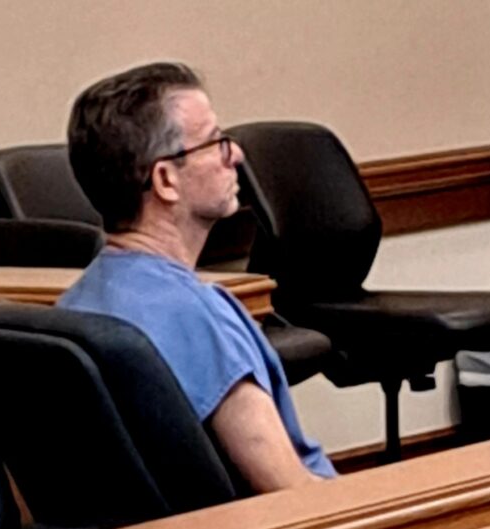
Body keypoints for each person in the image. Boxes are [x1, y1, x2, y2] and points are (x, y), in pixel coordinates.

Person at [58, 62, 337, 493]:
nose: (237, 154)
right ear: (166, 180)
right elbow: (290, 493)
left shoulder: (73, 307)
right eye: (216, 142)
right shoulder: (198, 317)